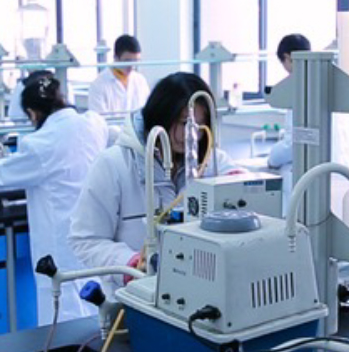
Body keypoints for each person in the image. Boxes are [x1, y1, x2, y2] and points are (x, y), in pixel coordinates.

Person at [0, 71, 110, 323]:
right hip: (95, 232)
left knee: (64, 313)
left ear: (33, 113)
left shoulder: (41, 143)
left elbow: (2, 174)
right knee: (95, 308)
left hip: (62, 241)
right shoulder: (93, 123)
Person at [70, 73, 233, 286]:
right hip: (135, 291)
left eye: (199, 127)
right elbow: (86, 239)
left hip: (200, 288)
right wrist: (131, 263)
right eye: (184, 123)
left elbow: (241, 186)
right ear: (160, 116)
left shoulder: (213, 162)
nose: (190, 135)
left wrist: (240, 186)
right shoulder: (113, 165)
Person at [264, 34, 311, 171]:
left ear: (287, 57)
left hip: (308, 172)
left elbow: (292, 145)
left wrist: (272, 159)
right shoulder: (325, 80)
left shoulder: (299, 88)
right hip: (340, 168)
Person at [86, 35, 149, 118]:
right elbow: (98, 121)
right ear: (115, 57)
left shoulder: (141, 81)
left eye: (136, 61)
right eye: (127, 61)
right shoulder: (98, 85)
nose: (132, 66)